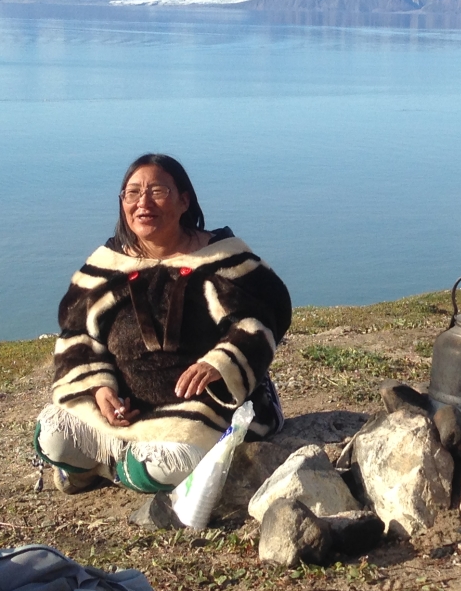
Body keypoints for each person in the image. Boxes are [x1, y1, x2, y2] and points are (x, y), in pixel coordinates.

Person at [34, 154, 292, 493]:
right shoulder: (105, 265)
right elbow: (78, 335)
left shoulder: (224, 259)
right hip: (126, 409)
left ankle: (99, 467)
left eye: (157, 191)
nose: (143, 203)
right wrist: (100, 389)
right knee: (51, 434)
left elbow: (264, 318)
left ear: (184, 200)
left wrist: (221, 363)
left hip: (202, 409)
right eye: (132, 193)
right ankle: (117, 461)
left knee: (173, 461)